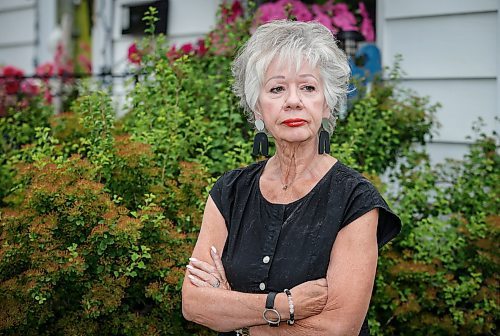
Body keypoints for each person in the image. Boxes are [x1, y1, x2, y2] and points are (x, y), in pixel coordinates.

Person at [182, 20, 401, 335]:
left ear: (327, 103)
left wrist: (237, 319)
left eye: (308, 87)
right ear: (258, 107)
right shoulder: (229, 192)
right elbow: (193, 304)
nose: (293, 100)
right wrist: (285, 306)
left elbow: (336, 329)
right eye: (276, 88)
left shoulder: (355, 200)